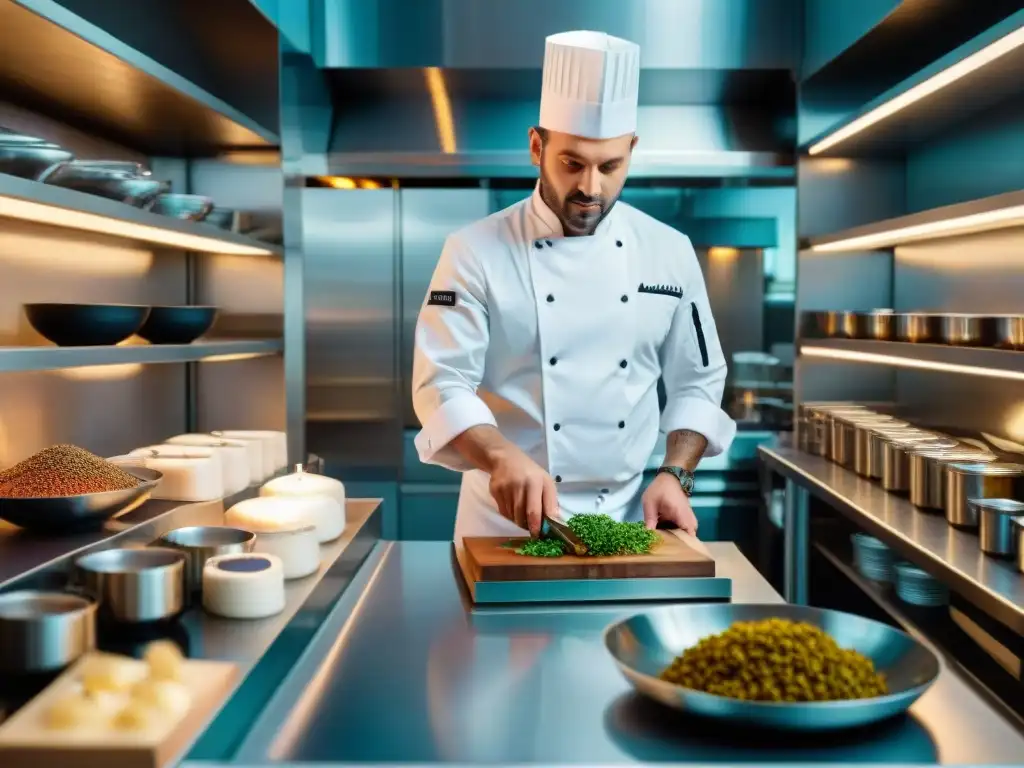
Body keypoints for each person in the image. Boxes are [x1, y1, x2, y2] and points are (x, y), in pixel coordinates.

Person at [412, 30, 736, 543]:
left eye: (611, 167)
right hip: (503, 524)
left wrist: (676, 471)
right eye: (572, 163)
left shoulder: (669, 250)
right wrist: (500, 457)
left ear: (631, 150)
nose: (591, 187)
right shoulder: (473, 250)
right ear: (537, 146)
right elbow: (442, 383)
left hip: (631, 523)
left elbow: (698, 381)